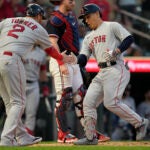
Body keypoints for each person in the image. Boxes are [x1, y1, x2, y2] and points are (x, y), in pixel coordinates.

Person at [73, 3, 149, 145]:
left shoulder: (111, 25)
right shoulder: (89, 37)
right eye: (84, 18)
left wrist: (117, 51)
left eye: (88, 16)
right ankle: (90, 137)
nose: (86, 20)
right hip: (102, 71)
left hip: (117, 68)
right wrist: (75, 60)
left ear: (97, 14)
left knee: (111, 102)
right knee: (88, 102)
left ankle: (141, 123)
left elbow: (129, 39)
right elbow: (84, 58)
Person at [0, 3, 72, 146]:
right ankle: (6, 139)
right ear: (38, 15)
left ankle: (22, 136)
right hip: (13, 60)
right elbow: (50, 50)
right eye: (41, 17)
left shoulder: (7, 21)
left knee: (10, 104)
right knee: (18, 103)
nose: (41, 20)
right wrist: (61, 59)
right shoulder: (38, 27)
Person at [46, 0, 110, 143]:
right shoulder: (55, 18)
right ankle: (62, 134)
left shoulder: (71, 16)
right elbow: (52, 42)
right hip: (61, 59)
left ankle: (90, 133)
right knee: (64, 96)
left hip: (72, 60)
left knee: (81, 96)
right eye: (70, 0)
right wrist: (61, 62)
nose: (73, 2)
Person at [23, 45, 50, 136]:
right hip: (19, 84)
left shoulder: (41, 53)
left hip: (34, 84)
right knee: (17, 112)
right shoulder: (21, 48)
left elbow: (42, 70)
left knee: (31, 112)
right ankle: (13, 136)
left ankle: (28, 136)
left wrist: (45, 86)